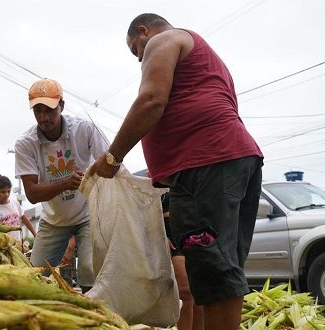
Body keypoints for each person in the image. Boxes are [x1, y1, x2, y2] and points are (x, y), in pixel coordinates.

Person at [89, 14, 263, 329]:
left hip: (206, 165)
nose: (140, 58)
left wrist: (112, 158)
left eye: (135, 50)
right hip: (232, 161)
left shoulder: (164, 39)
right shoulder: (207, 59)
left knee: (215, 269)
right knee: (218, 271)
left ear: (144, 31)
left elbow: (152, 100)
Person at [15, 78, 110, 293]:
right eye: (37, 111)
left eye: (49, 110)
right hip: (53, 219)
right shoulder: (25, 143)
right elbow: (31, 194)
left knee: (88, 269)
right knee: (35, 274)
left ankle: (93, 318)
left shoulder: (84, 129)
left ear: (62, 106)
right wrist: (66, 182)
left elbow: (110, 164)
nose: (44, 117)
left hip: (88, 214)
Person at [162, 192, 204, 330]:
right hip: (167, 231)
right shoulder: (153, 177)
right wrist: (158, 234)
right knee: (185, 291)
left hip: (195, 226)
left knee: (199, 292)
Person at [0, 174, 36, 240]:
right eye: (3, 192)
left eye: (8, 191)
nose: (6, 194)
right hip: (2, 246)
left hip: (18, 244)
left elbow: (24, 219)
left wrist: (35, 234)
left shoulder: (15, 204)